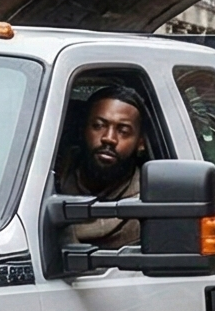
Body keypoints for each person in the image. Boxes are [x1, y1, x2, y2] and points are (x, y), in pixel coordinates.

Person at [56, 84, 151, 251]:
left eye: (123, 131)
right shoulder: (48, 178)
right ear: (83, 129)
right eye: (98, 126)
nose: (109, 138)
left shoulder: (146, 205)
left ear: (140, 143)